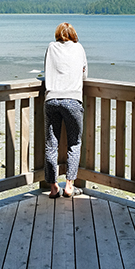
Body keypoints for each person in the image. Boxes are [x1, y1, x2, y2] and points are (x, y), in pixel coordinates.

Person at [43, 22, 88, 198]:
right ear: (73, 34)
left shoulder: (51, 47)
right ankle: (69, 185)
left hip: (51, 99)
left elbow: (48, 69)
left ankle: (54, 187)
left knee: (51, 145)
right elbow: (85, 75)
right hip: (73, 100)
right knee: (74, 143)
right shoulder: (79, 48)